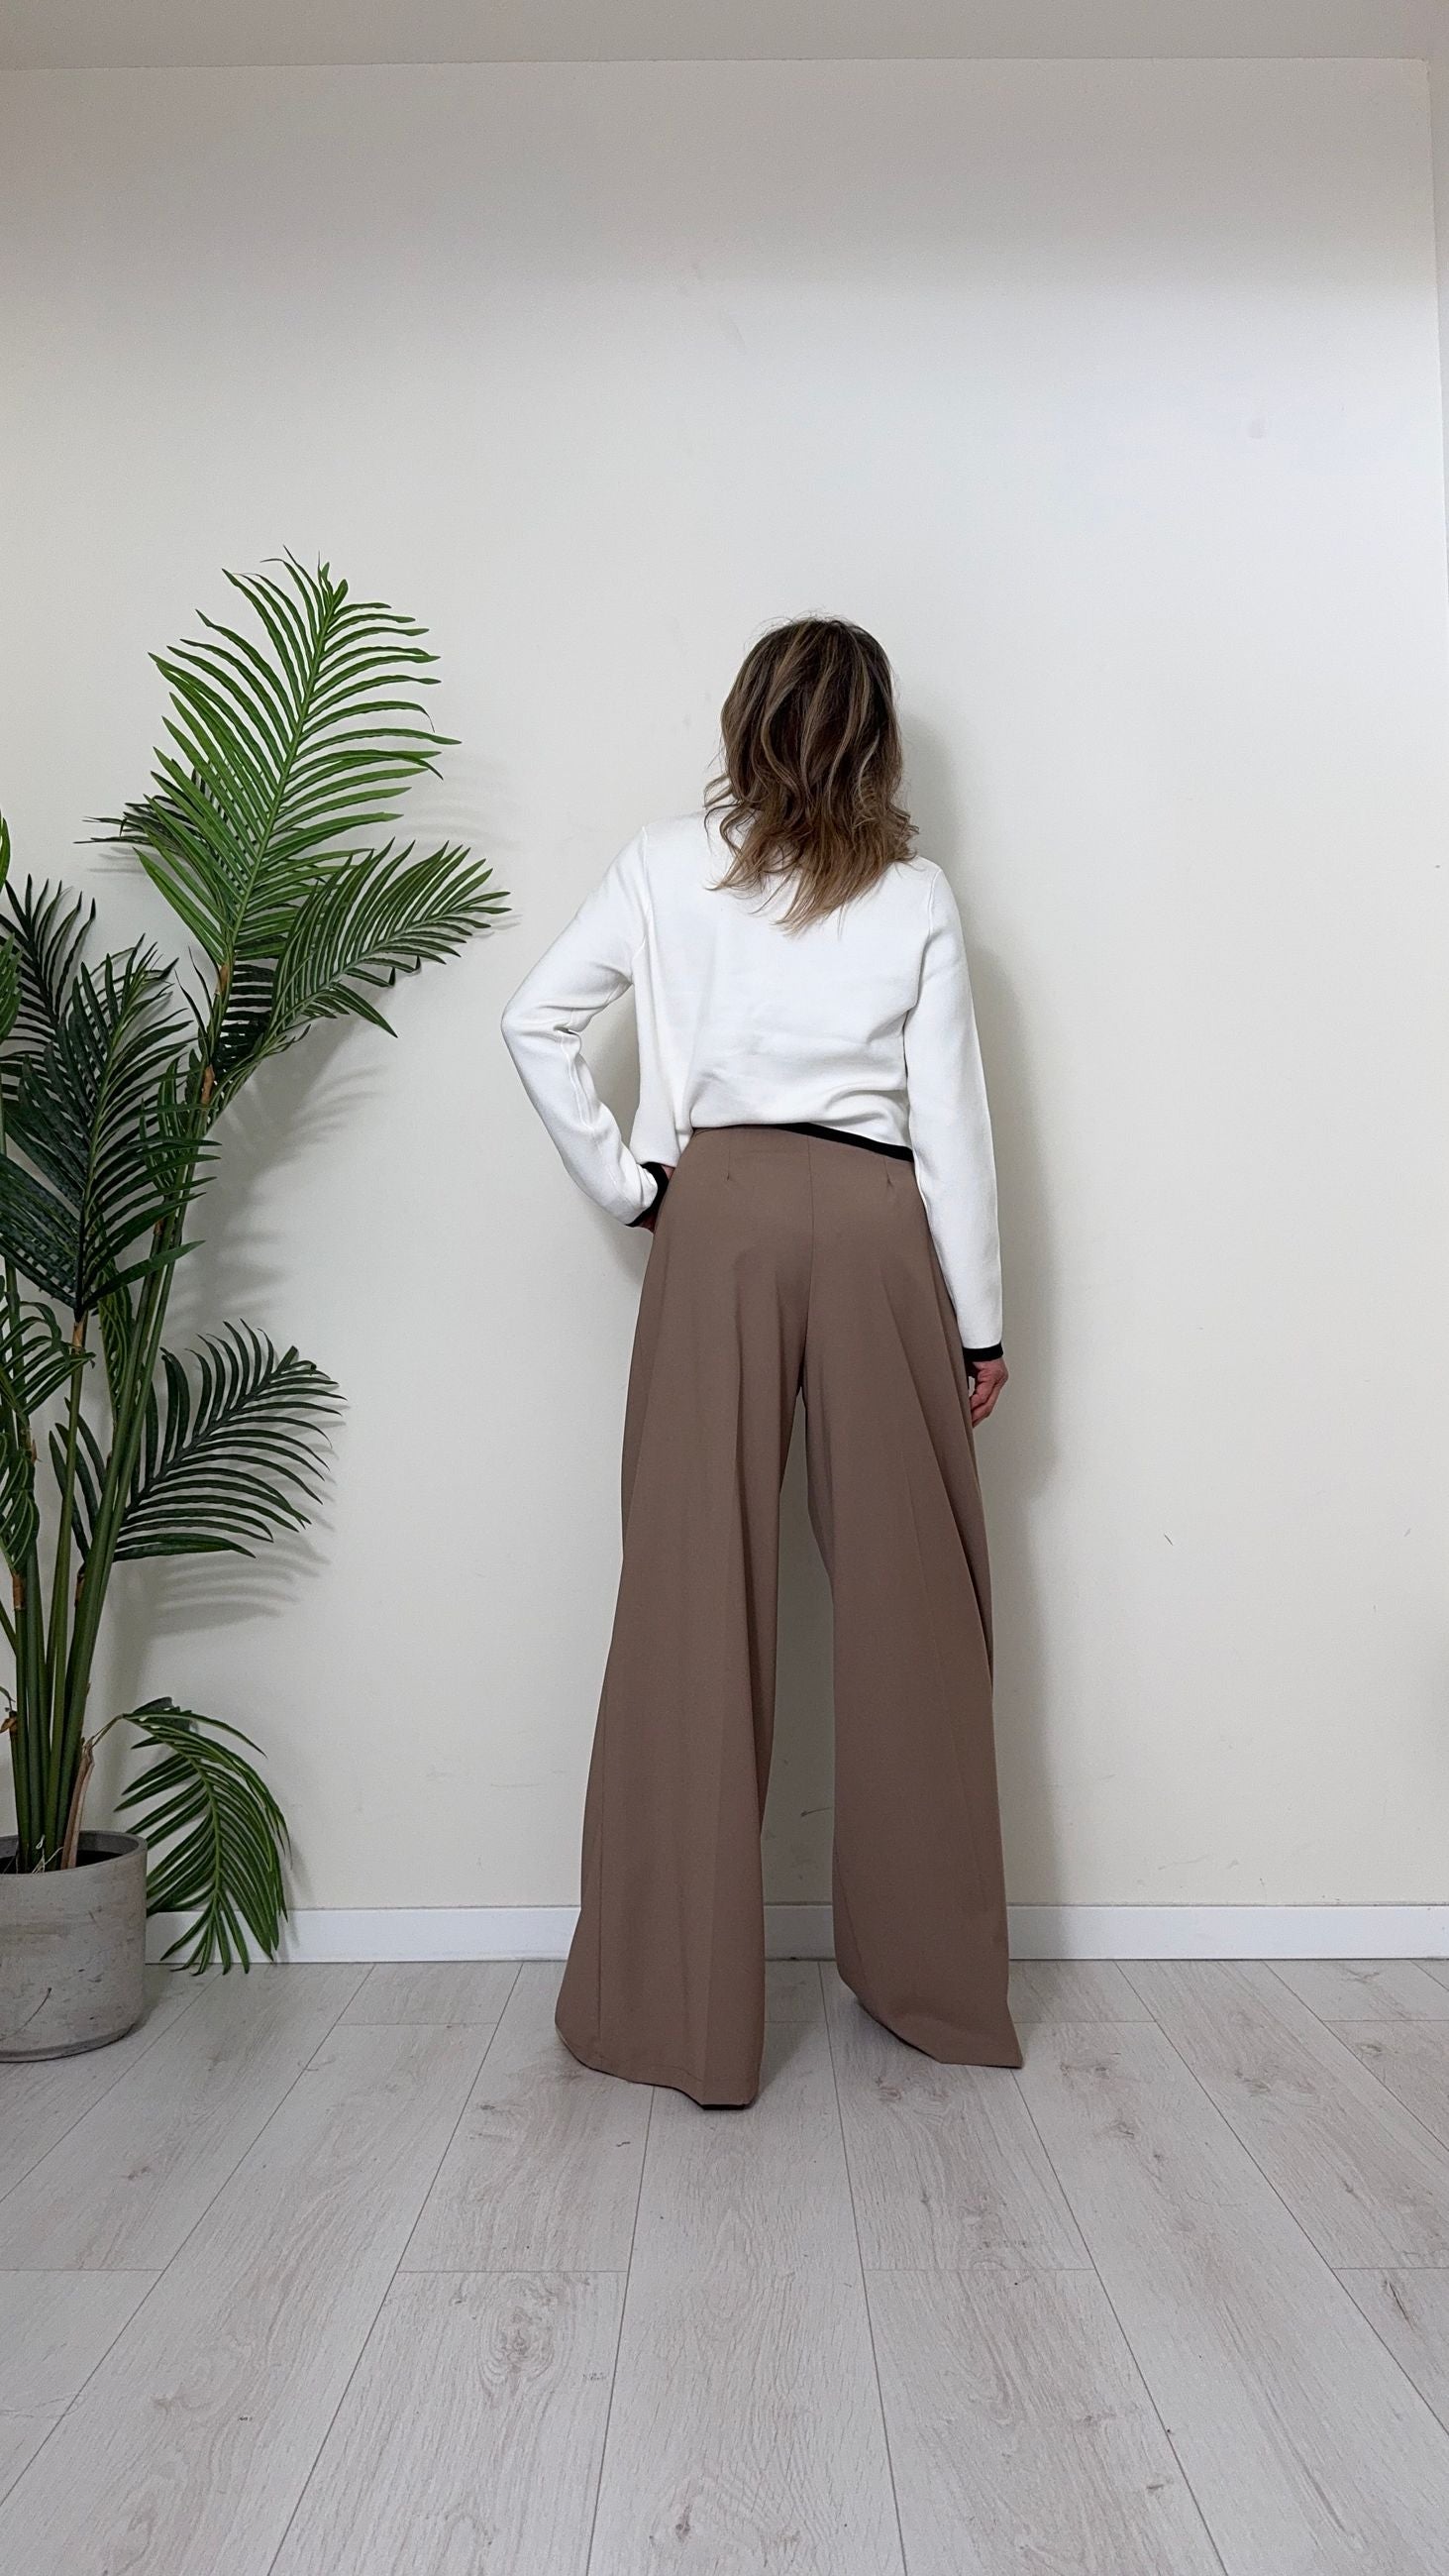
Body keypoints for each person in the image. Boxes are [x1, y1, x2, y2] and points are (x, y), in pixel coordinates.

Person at [501, 616, 1021, 2106]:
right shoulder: (916, 894)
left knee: (689, 1597)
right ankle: (934, 1993)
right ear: (878, 743)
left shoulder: (665, 865)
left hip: (716, 1217)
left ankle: (675, 2015)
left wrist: (634, 1186)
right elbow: (952, 1124)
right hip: (876, 1226)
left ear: (745, 721)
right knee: (916, 1612)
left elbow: (533, 1020)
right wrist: (978, 1323)